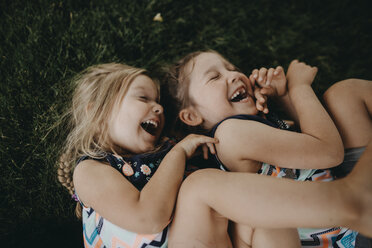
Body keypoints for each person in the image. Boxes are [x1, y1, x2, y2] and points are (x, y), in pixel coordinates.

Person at [165, 50, 372, 247]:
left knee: (344, 95)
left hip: (347, 196)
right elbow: (328, 152)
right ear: (192, 116)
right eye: (214, 77)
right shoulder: (229, 135)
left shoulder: (256, 123)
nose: (235, 75)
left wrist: (282, 97)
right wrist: (299, 87)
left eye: (231, 68)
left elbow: (312, 136)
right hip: (345, 237)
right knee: (346, 93)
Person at [57, 63, 219, 248]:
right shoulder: (90, 171)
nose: (159, 108)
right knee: (202, 184)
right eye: (143, 98)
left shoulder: (167, 149)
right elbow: (148, 218)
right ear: (98, 115)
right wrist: (179, 153)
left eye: (158, 101)